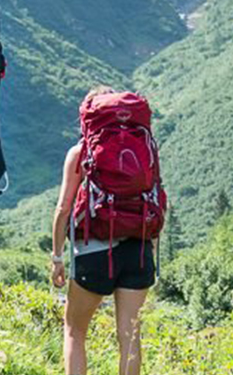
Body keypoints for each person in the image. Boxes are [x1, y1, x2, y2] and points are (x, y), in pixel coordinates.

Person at [50, 86, 158, 375]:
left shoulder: (81, 153)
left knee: (74, 330)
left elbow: (63, 209)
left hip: (95, 250)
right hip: (139, 247)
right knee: (130, 335)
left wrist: (57, 257)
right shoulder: (144, 145)